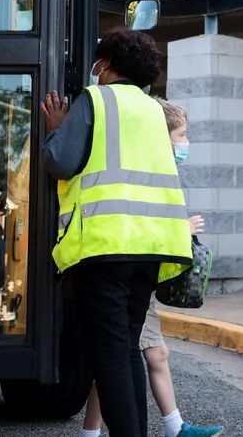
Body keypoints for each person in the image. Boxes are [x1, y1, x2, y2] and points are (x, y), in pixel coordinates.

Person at [42, 28, 193, 437]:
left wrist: (55, 128)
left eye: (97, 63)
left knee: (108, 354)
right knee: (126, 348)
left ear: (105, 66)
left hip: (106, 244)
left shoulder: (96, 100)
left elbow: (60, 161)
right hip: (152, 245)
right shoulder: (151, 109)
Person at [81, 99, 223, 437]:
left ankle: (166, 427)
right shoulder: (150, 174)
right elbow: (142, 222)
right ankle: (171, 428)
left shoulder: (157, 170)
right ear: (164, 139)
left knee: (122, 358)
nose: (186, 143)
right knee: (130, 356)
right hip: (135, 278)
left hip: (139, 278)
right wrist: (181, 229)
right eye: (183, 135)